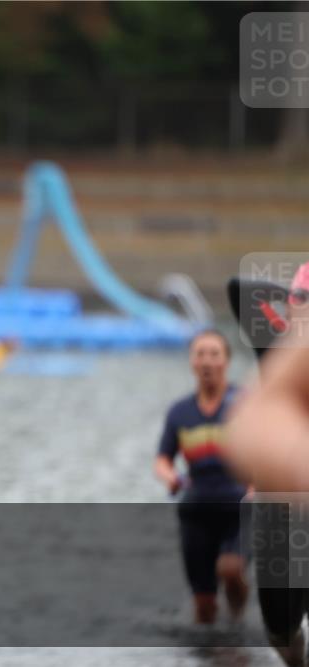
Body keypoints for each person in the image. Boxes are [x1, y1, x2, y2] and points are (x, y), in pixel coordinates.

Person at [224, 261, 309, 667]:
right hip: (278, 511)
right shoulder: (275, 346)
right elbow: (239, 286)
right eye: (300, 299)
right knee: (280, 630)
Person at [153, 329, 250, 624]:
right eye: (200, 354)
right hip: (196, 511)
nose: (207, 361)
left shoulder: (246, 405)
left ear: (227, 361)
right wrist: (170, 476)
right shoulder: (180, 412)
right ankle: (211, 639)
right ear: (192, 361)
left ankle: (238, 622)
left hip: (240, 508)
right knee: (204, 606)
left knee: (230, 568)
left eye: (214, 354)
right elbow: (163, 458)